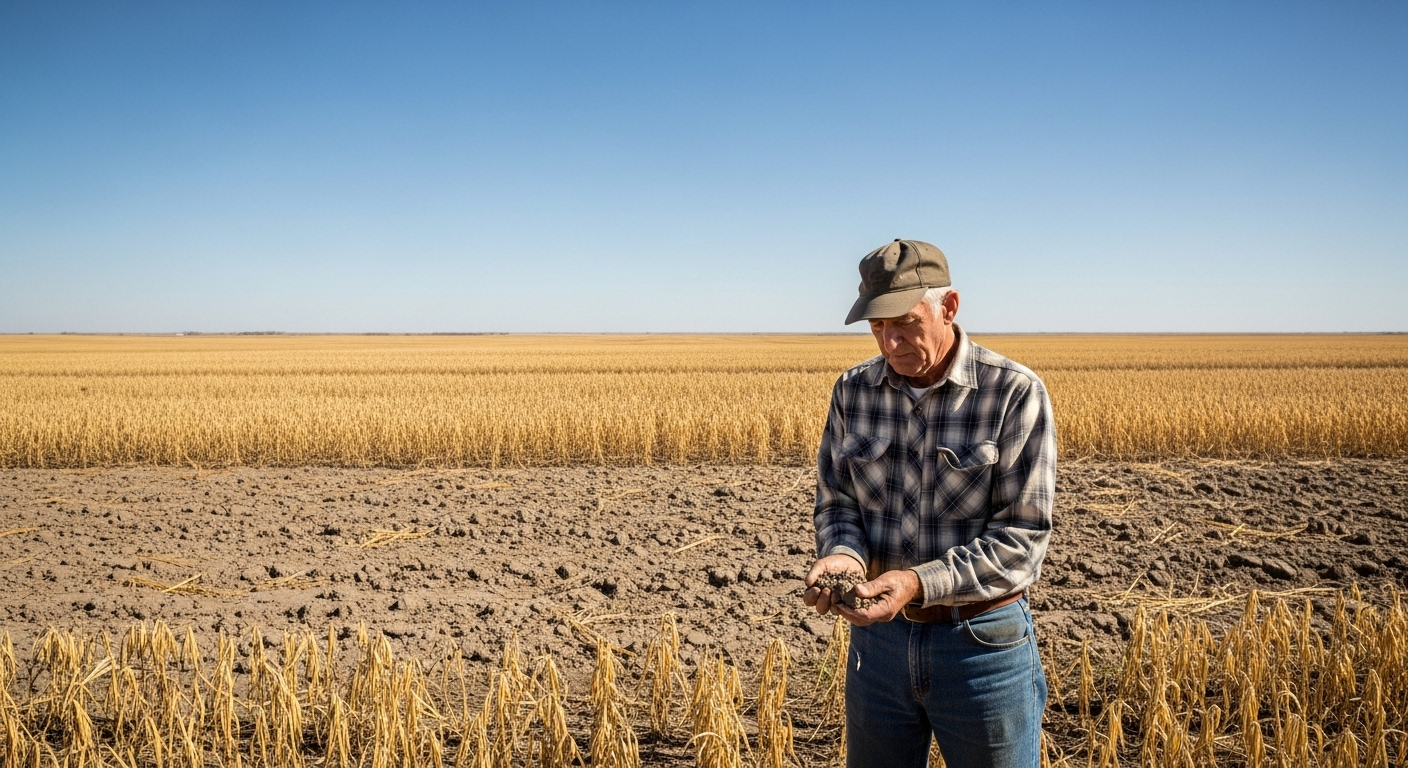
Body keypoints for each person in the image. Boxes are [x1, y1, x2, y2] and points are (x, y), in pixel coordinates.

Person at [803, 239, 1055, 768]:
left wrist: (918, 583)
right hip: (879, 648)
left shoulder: (1013, 393)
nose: (890, 342)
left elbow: (1023, 539)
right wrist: (844, 557)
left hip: (983, 649)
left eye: (906, 323)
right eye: (876, 327)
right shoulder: (853, 392)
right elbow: (838, 503)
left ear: (949, 306)